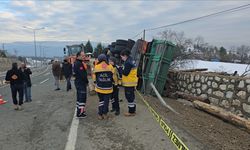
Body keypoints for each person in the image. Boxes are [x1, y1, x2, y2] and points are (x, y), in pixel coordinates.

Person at [93, 54, 115, 120]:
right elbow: (113, 77)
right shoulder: (110, 66)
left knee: (101, 101)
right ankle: (105, 114)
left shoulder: (96, 67)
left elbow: (94, 76)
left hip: (99, 88)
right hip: (108, 88)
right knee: (106, 101)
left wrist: (95, 81)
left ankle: (100, 114)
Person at [120, 50, 138, 116]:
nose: (121, 58)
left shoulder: (128, 62)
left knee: (129, 97)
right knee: (132, 97)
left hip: (129, 83)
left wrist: (120, 69)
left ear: (125, 56)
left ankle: (131, 112)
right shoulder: (132, 60)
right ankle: (133, 110)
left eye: (122, 57)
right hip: (132, 82)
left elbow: (125, 73)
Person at [74, 51, 89, 118]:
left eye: (84, 55)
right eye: (82, 55)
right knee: (82, 98)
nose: (84, 56)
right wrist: (87, 81)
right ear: (78, 56)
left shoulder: (78, 62)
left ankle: (79, 111)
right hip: (81, 83)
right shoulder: (79, 64)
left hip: (78, 83)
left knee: (79, 98)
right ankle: (80, 113)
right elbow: (82, 75)